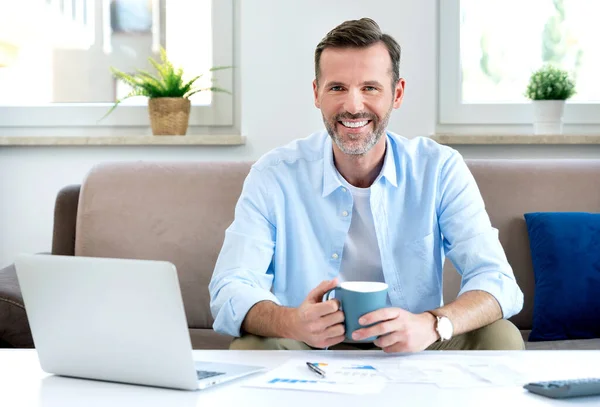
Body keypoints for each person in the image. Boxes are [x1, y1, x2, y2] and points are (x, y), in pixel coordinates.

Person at [208, 18, 524, 352]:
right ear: (317, 93)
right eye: (337, 88)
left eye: (370, 88)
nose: (354, 106)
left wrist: (433, 323)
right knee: (251, 347)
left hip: (414, 343)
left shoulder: (439, 168)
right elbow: (230, 286)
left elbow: (497, 280)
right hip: (307, 346)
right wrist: (292, 322)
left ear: (397, 94)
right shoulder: (274, 174)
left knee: (500, 336)